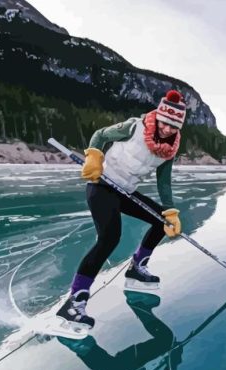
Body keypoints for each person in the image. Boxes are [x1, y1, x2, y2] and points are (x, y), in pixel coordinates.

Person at [56, 90, 186, 331]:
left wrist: (170, 211)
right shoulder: (135, 127)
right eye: (165, 123)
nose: (168, 129)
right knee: (109, 238)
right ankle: (74, 302)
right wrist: (94, 157)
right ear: (158, 116)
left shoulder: (169, 150)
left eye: (174, 126)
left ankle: (137, 268)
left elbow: (164, 182)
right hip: (102, 184)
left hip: (125, 191)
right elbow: (100, 135)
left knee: (160, 221)